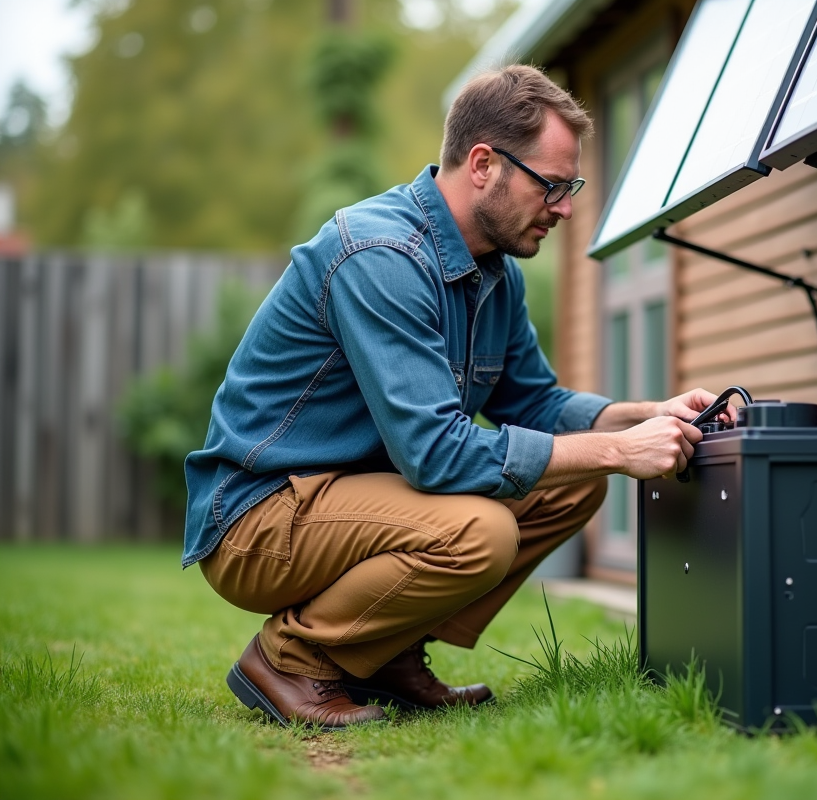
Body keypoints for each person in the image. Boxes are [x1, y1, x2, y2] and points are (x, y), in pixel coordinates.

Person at [183, 64, 729, 729]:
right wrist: (616, 449)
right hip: (262, 518)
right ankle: (291, 660)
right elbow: (436, 456)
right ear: (481, 164)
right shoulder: (380, 255)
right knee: (482, 532)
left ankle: (386, 655)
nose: (564, 208)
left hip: (353, 504)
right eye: (552, 185)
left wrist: (646, 417)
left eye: (571, 186)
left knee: (574, 481)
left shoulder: (494, 272)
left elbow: (533, 404)